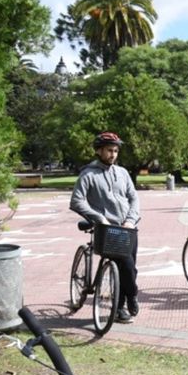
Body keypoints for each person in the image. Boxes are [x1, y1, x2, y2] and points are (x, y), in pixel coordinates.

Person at [69, 132, 141, 323]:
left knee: (130, 269)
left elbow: (134, 198)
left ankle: (128, 297)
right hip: (107, 230)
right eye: (109, 150)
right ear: (99, 151)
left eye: (116, 151)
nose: (113, 154)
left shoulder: (123, 173)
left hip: (128, 227)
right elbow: (76, 201)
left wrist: (131, 219)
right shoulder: (88, 174)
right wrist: (99, 218)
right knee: (124, 264)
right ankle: (121, 305)